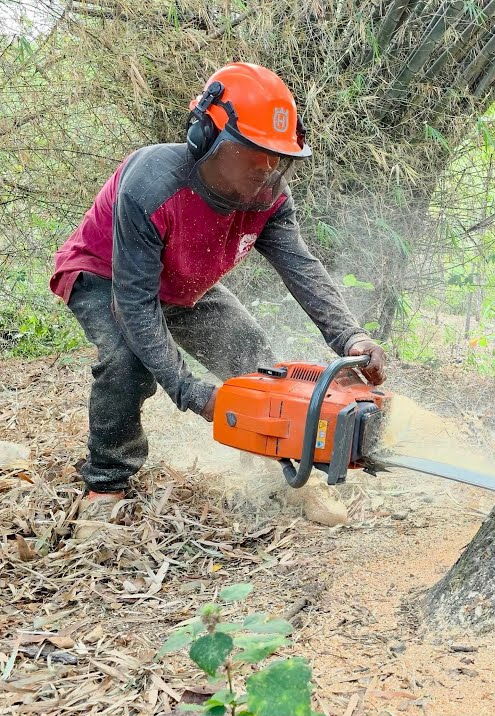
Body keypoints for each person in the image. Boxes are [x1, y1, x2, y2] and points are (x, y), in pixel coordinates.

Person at [49, 62, 386, 533]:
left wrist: (349, 337)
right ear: (207, 138)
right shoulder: (152, 184)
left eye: (277, 159)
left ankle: (287, 467)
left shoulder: (269, 197)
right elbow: (136, 303)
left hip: (185, 283)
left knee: (254, 360)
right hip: (106, 275)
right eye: (253, 156)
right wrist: (190, 391)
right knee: (127, 362)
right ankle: (107, 481)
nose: (267, 172)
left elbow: (301, 267)